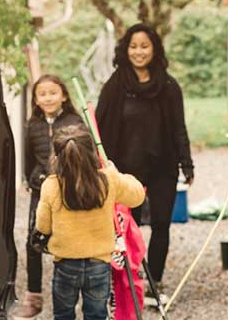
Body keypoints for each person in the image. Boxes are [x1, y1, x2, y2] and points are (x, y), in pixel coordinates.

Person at [95, 23, 194, 293]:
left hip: (163, 166)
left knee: (162, 224)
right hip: (126, 170)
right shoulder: (115, 86)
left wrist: (187, 163)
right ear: (126, 50)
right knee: (129, 226)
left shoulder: (169, 86)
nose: (139, 52)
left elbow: (178, 127)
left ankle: (155, 281)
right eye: (134, 46)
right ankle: (132, 276)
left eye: (144, 46)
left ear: (155, 49)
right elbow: (99, 127)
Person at [36, 126, 145, 320]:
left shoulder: (51, 186)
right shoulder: (108, 180)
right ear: (92, 154)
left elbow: (43, 226)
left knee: (63, 314)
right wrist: (116, 173)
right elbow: (137, 196)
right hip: (99, 264)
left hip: (65, 264)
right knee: (96, 314)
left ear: (56, 157)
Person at [15, 74, 86, 319]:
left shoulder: (74, 121)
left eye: (53, 92)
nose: (48, 98)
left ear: (64, 95)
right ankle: (33, 297)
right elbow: (28, 157)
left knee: (67, 239)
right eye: (42, 94)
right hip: (41, 190)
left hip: (68, 190)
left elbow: (83, 156)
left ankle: (72, 294)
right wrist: (31, 177)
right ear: (35, 99)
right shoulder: (32, 125)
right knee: (33, 240)